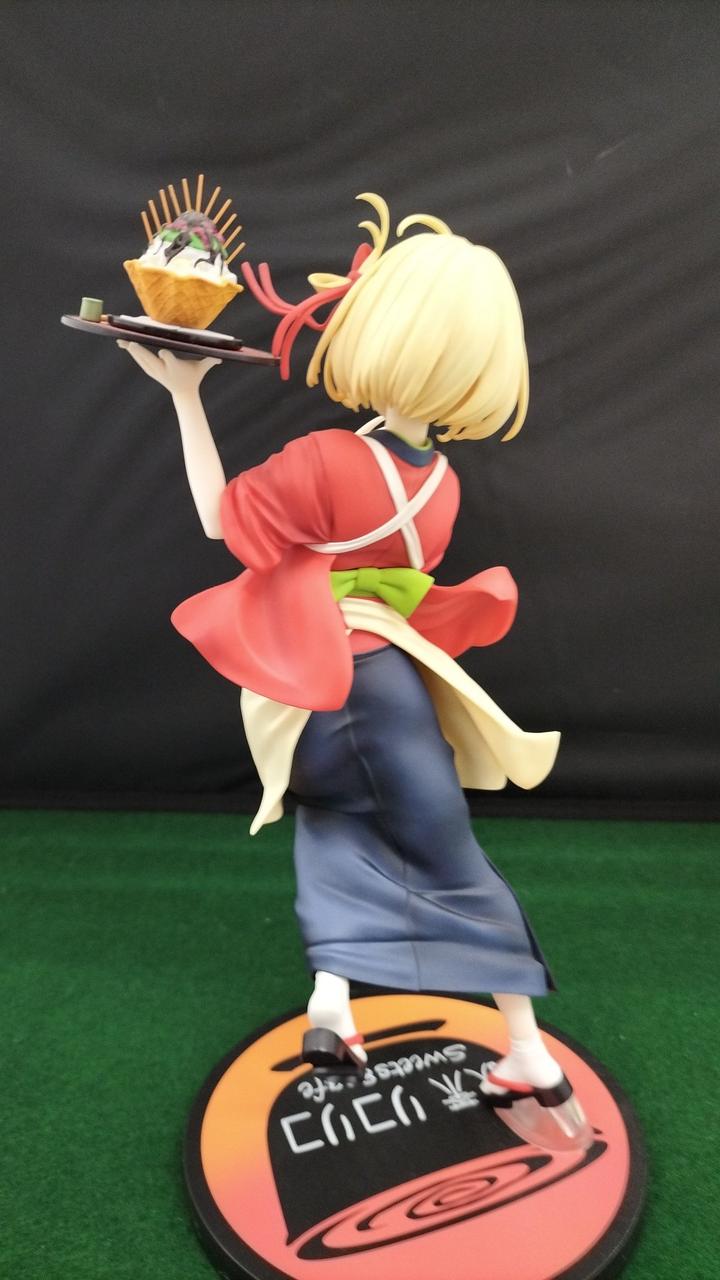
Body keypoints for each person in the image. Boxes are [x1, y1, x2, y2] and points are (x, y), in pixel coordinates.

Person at [119, 193, 590, 1149]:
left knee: (399, 840)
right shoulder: (441, 484)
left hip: (336, 687)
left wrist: (184, 396)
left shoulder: (331, 458)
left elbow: (221, 522)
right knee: (379, 831)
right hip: (380, 679)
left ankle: (378, 1016)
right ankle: (384, 1018)